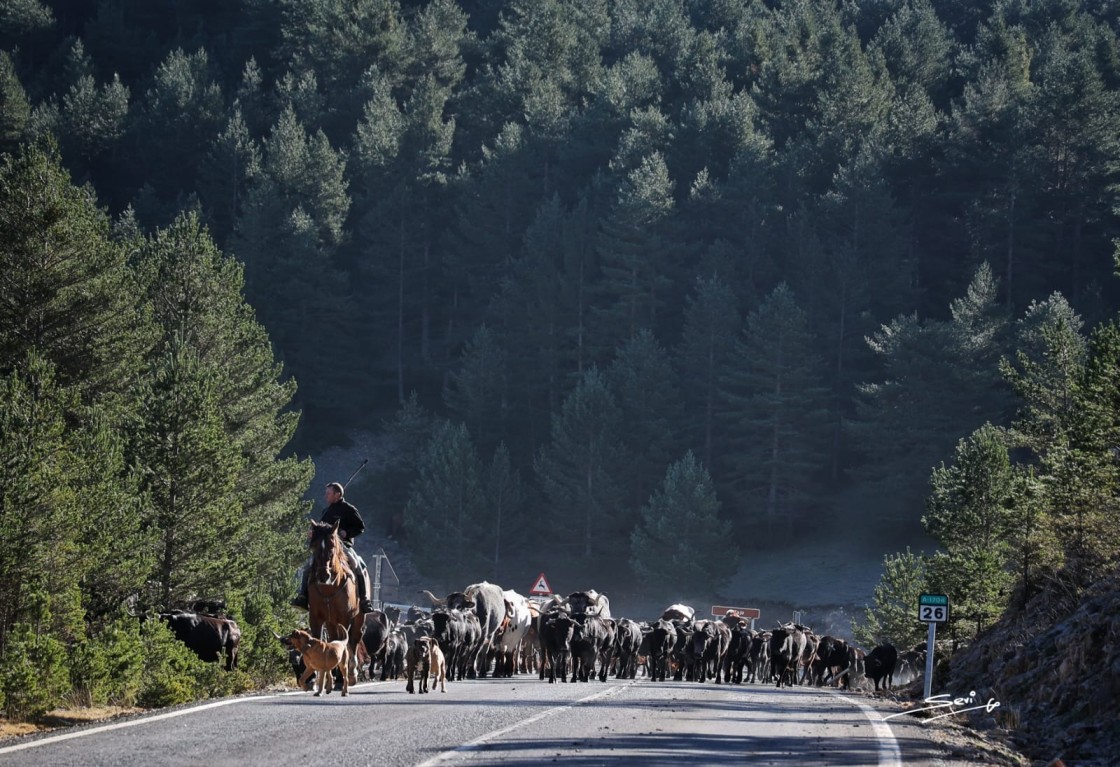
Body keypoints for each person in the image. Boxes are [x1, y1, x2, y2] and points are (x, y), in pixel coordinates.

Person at [291, 482, 375, 613]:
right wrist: (314, 534)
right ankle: (303, 597)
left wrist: (347, 533)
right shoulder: (326, 511)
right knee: (308, 566)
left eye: (328, 493)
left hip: (343, 545)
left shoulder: (349, 509)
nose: (326, 496)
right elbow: (320, 528)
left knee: (357, 565)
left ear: (337, 494)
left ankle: (364, 600)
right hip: (326, 546)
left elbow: (360, 527)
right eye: (326, 493)